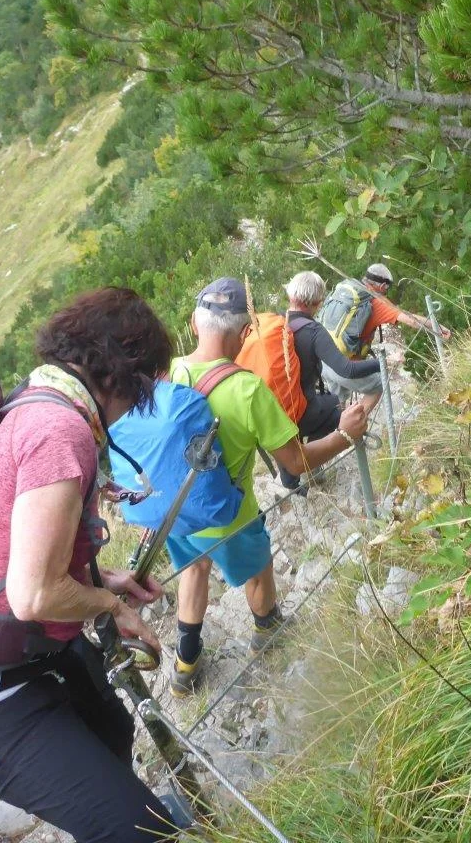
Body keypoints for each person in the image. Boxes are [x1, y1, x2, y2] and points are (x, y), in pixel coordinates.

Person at [0, 288, 181, 843]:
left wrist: (100, 579)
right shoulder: (60, 431)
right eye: (141, 386)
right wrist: (110, 604)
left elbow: (25, 554)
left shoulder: (38, 401)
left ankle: (118, 808)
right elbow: (33, 594)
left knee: (113, 728)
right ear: (121, 373)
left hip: (38, 656)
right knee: (140, 833)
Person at [167, 277, 368, 697]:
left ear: (192, 323)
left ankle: (185, 663)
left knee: (193, 568)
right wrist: (344, 434)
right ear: (244, 334)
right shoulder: (246, 388)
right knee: (259, 571)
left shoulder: (174, 371)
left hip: (178, 512)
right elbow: (295, 462)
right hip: (230, 516)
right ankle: (267, 627)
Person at [276, 270, 381, 488]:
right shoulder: (313, 331)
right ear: (318, 302)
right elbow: (347, 370)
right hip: (302, 411)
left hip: (276, 411)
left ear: (290, 294)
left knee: (299, 412)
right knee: (333, 404)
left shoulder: (277, 325)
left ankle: (289, 480)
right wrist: (381, 362)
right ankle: (314, 462)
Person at [319, 262, 452, 414]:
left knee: (338, 407)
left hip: (325, 358)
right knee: (380, 383)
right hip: (345, 366)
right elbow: (409, 319)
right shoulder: (376, 302)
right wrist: (437, 327)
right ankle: (352, 429)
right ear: (382, 287)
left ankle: (340, 430)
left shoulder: (347, 289)